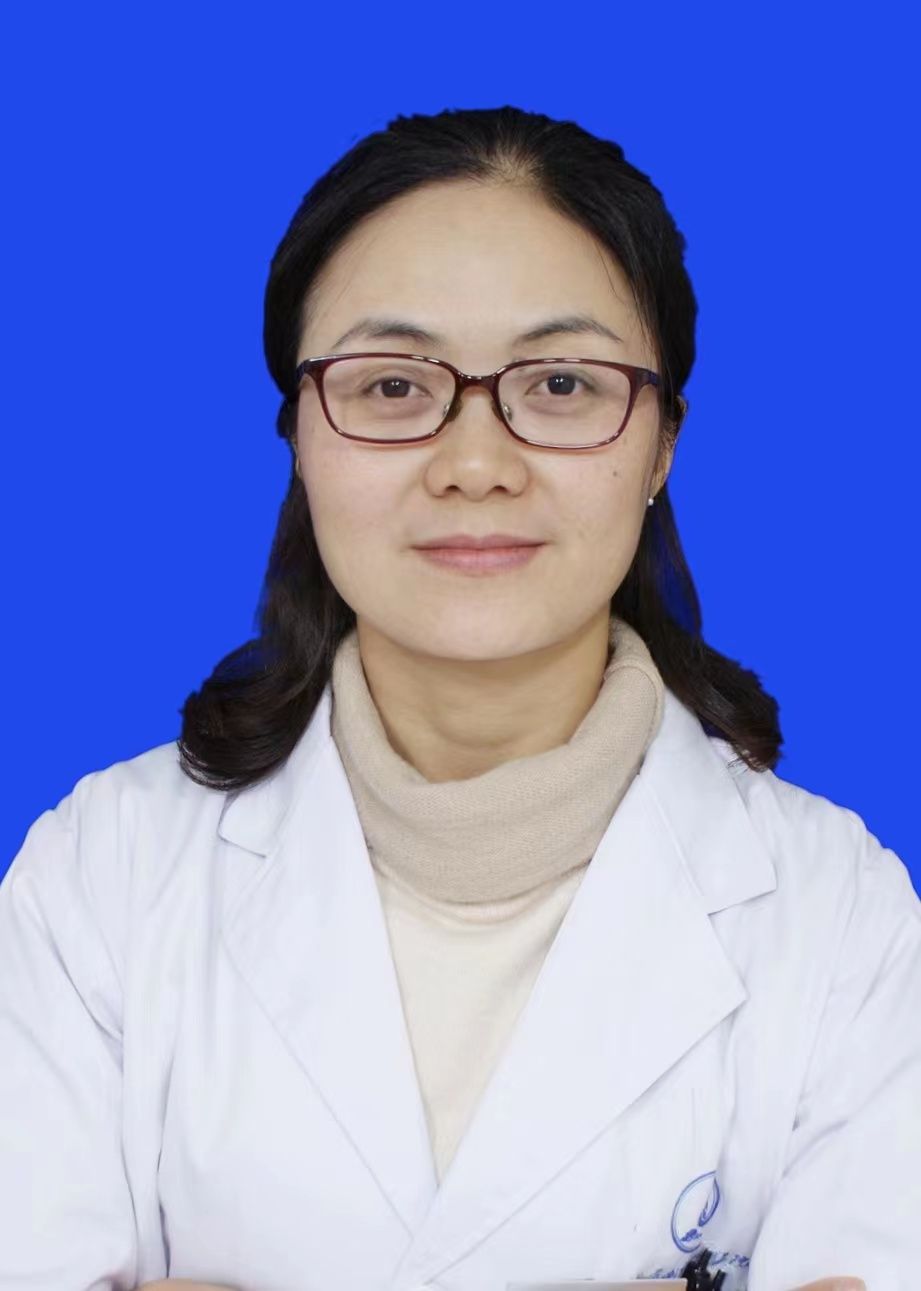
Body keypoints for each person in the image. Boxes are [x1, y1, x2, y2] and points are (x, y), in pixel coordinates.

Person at [1, 106, 918, 1291]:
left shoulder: (843, 926)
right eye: (392, 384)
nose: (476, 464)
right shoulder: (101, 883)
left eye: (562, 383)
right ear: (298, 436)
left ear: (662, 447)